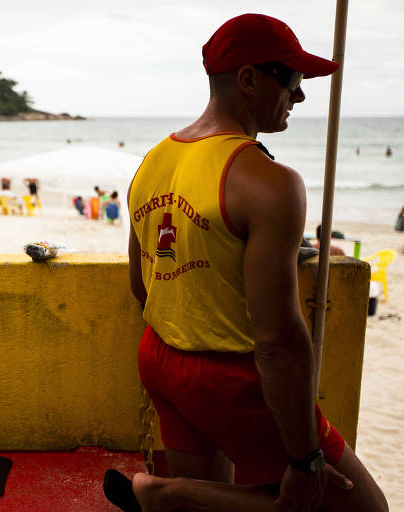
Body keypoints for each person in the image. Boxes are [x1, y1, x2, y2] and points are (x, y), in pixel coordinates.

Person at [127, 13, 387, 512]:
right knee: (362, 507)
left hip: (160, 355)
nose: (301, 95)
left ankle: (170, 493)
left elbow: (142, 286)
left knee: (213, 500)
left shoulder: (152, 161)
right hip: (230, 375)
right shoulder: (270, 181)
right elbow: (278, 343)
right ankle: (162, 491)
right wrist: (306, 457)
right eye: (292, 80)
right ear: (249, 79)